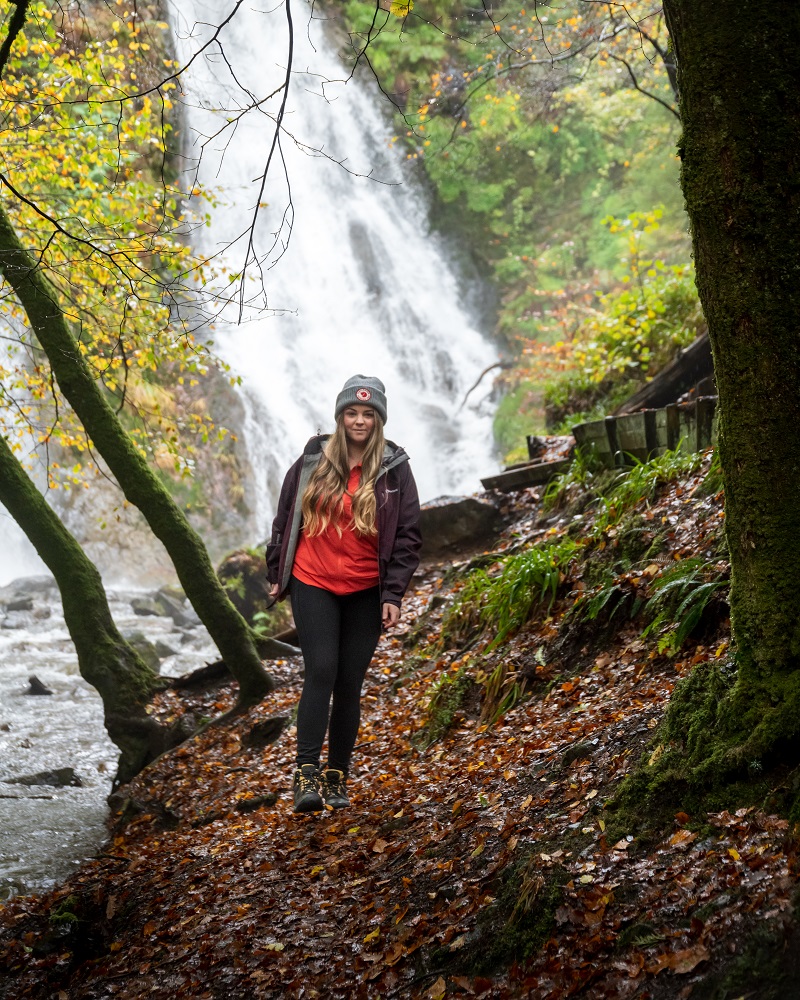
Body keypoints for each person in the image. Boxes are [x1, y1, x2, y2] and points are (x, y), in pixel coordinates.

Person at [266, 375, 422, 813]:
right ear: (340, 416)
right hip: (312, 577)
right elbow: (284, 516)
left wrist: (393, 594)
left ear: (379, 420)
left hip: (366, 588)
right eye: (351, 413)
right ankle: (306, 775)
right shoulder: (313, 459)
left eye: (367, 414)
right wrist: (276, 567)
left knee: (350, 682)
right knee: (322, 669)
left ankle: (337, 776)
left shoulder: (394, 468)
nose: (358, 420)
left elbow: (408, 536)